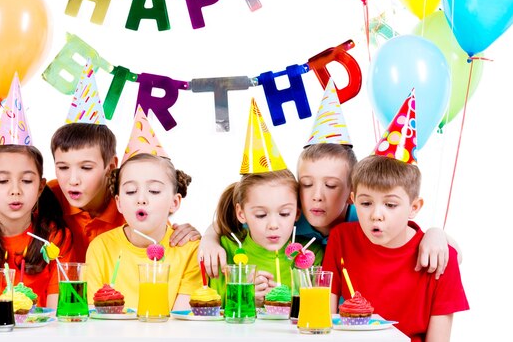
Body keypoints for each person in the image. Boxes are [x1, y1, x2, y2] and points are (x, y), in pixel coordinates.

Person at [199, 81, 456, 279]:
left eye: (331, 186)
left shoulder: (366, 216)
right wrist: (207, 239)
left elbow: (417, 237)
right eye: (307, 184)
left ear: (352, 194)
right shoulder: (287, 220)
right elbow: (232, 224)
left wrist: (436, 234)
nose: (317, 195)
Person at [322, 155, 469, 341]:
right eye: (366, 203)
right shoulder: (341, 238)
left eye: (390, 205)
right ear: (353, 199)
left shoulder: (440, 257)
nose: (376, 215)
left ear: (414, 207)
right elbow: (323, 322)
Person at [49, 123, 201, 262]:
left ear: (110, 167)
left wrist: (204, 238)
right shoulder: (49, 197)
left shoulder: (131, 202)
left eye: (86, 168)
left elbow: (163, 244)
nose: (73, 180)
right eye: (63, 168)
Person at [0, 144, 73, 310]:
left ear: (40, 187)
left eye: (26, 181)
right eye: (3, 181)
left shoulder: (55, 238)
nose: (15, 190)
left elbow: (55, 317)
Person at [84, 153, 202, 310]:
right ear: (119, 203)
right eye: (131, 191)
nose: (141, 199)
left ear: (174, 202)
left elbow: (180, 319)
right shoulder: (100, 248)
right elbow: (95, 318)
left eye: (154, 191)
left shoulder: (190, 250)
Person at [209, 169, 313, 306]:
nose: (273, 225)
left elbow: (318, 309)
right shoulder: (222, 252)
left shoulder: (309, 254)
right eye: (261, 215)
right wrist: (245, 298)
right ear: (241, 213)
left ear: (297, 212)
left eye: (284, 213)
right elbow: (209, 308)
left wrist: (286, 303)